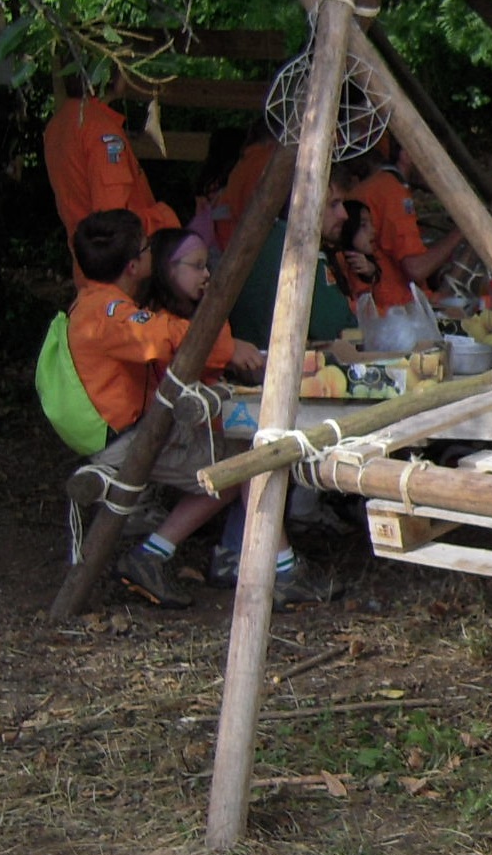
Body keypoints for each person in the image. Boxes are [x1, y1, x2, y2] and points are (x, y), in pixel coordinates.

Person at [66, 211, 336, 607]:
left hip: (138, 432)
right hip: (127, 442)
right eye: (145, 247)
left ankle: (152, 555)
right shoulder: (107, 313)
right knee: (250, 460)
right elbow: (160, 338)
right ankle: (284, 570)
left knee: (236, 463)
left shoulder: (103, 304)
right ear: (134, 265)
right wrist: (225, 338)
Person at [45, 88, 179, 256]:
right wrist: (163, 219)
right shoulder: (100, 130)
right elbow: (111, 222)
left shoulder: (60, 121)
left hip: (89, 261)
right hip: (115, 269)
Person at [229, 195, 356, 347]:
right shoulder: (298, 245)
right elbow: (329, 325)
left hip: (253, 360)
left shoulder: (262, 237)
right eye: (333, 204)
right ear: (304, 204)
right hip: (276, 363)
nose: (344, 214)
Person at [343, 147, 464, 306]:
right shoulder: (390, 192)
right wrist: (464, 230)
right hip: (395, 309)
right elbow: (416, 269)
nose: (444, 172)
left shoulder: (380, 186)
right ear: (406, 154)